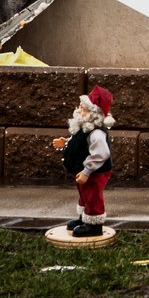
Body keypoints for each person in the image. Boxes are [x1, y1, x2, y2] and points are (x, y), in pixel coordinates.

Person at [52, 85, 114, 238]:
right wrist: (65, 142)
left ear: (95, 114)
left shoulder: (96, 133)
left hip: (94, 173)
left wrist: (87, 171)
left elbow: (100, 153)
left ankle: (94, 225)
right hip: (82, 172)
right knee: (84, 195)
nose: (80, 112)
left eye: (84, 109)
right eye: (80, 107)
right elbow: (79, 143)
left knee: (92, 196)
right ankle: (84, 218)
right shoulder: (85, 127)